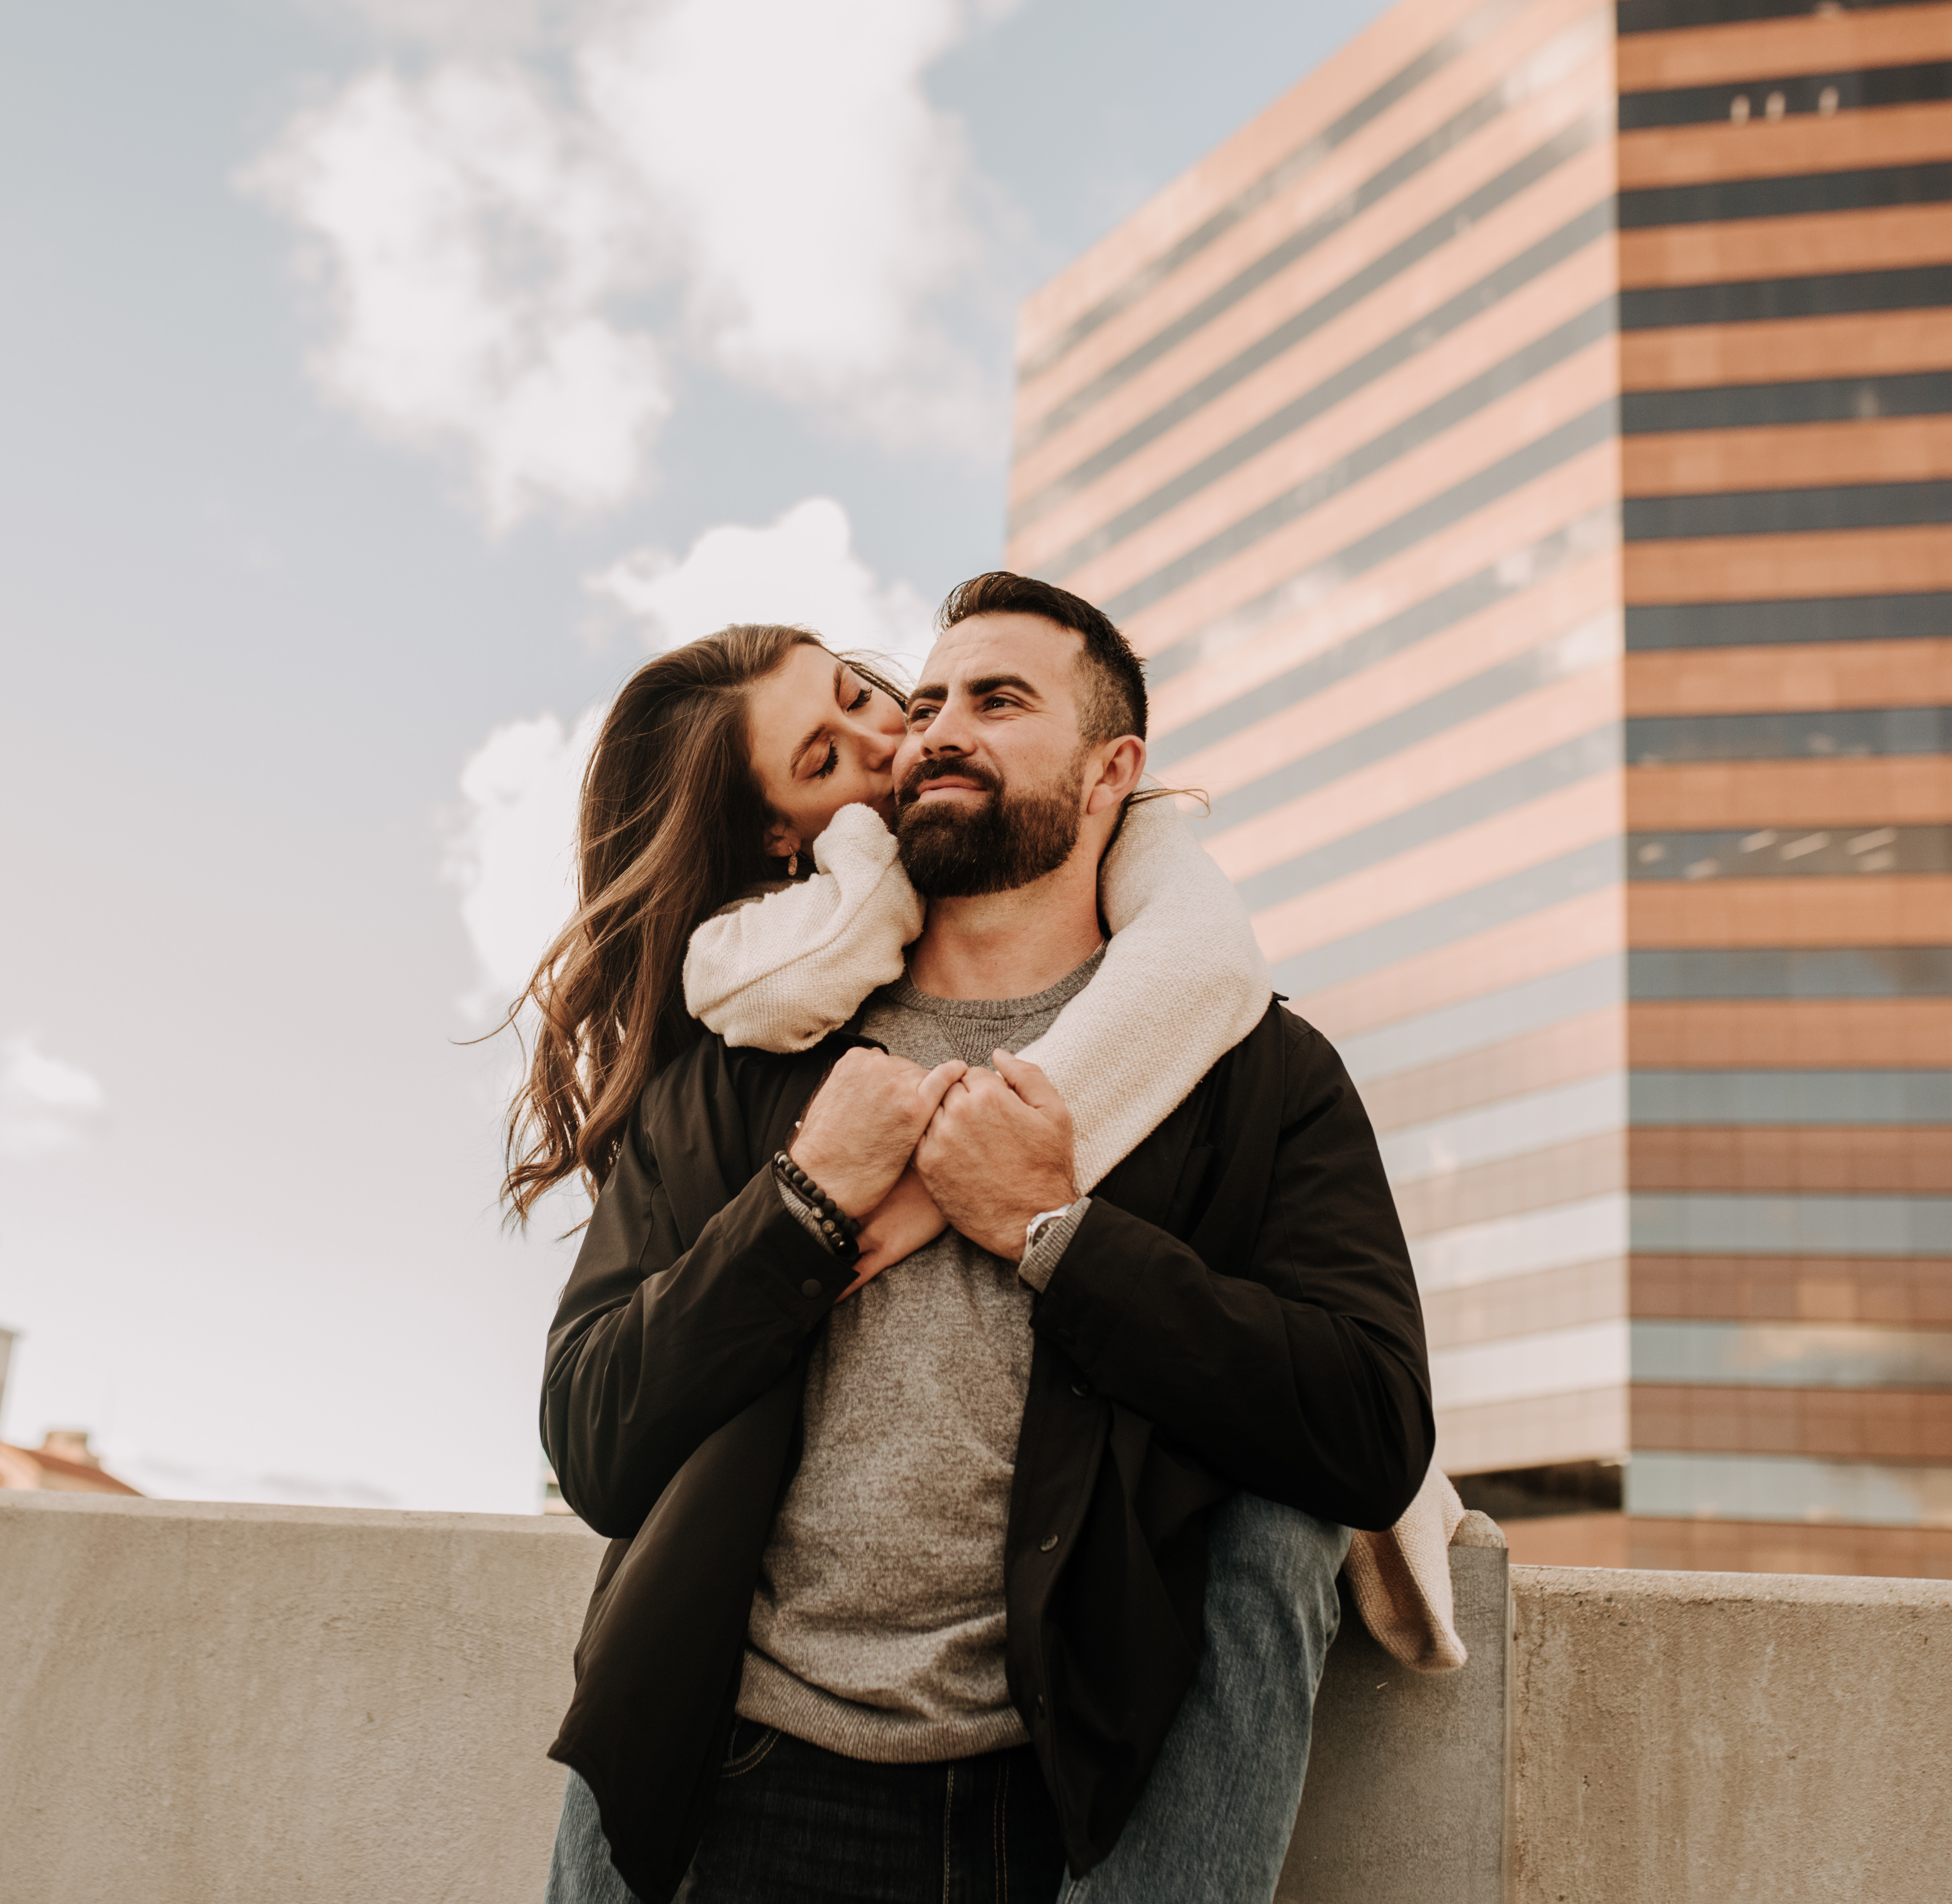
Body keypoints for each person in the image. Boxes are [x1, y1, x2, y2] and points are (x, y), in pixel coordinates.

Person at [515, 578, 1436, 1902]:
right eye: (929, 697)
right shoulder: (747, 1070)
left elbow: (1369, 1424)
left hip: (1060, 1815)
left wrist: (1059, 1236)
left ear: (1115, 771)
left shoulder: (1255, 1073)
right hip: (732, 1798)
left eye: (1000, 701)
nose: (931, 728)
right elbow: (593, 1439)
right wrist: (800, 1200)